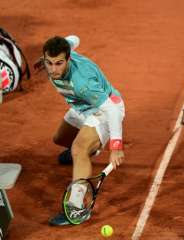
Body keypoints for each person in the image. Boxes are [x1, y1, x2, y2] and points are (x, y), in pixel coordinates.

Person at [40, 35, 125, 226]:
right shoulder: (61, 52)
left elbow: (111, 109)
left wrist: (116, 146)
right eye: (49, 63)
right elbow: (74, 39)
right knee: (60, 139)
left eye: (59, 64)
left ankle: (77, 207)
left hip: (104, 110)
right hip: (81, 108)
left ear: (68, 59)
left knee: (78, 148)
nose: (53, 69)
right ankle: (90, 150)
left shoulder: (83, 84)